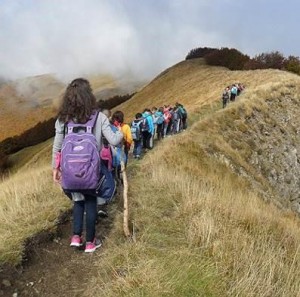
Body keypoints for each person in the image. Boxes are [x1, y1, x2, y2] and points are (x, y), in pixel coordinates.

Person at [52, 78, 123, 253]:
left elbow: (57, 145)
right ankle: (90, 242)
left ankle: (76, 237)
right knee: (90, 202)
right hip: (92, 170)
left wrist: (55, 167)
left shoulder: (63, 119)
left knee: (77, 201)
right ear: (89, 95)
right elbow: (114, 140)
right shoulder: (99, 117)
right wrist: (120, 132)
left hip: (70, 170)